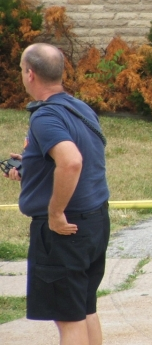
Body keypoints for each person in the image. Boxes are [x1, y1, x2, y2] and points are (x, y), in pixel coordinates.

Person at [2, 43, 110, 345]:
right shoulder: (78, 108)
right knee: (85, 308)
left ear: (30, 73)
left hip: (65, 232)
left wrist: (55, 212)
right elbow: (79, 156)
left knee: (69, 320)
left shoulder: (45, 117)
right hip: (94, 222)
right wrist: (32, 166)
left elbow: (72, 161)